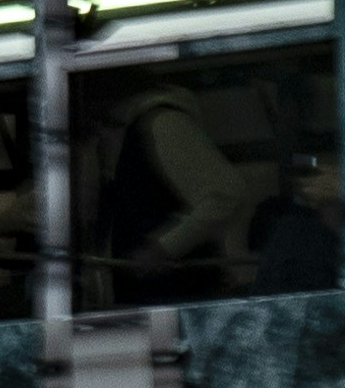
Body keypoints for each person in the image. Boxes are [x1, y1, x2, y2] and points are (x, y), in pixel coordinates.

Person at [90, 77, 255, 302]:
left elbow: (225, 194)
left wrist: (163, 248)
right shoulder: (117, 144)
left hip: (185, 301)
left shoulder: (161, 124)